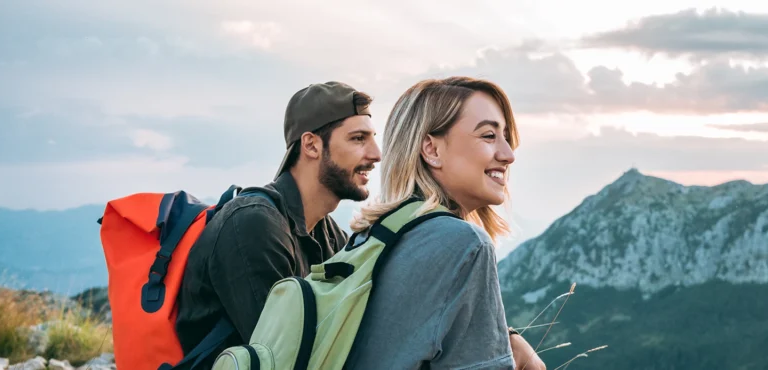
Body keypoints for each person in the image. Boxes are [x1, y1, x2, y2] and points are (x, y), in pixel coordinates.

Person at [342, 76, 547, 370]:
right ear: (432, 149)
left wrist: (505, 335)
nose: (508, 155)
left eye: (506, 138)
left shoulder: (375, 234)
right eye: (489, 136)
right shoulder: (464, 242)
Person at [175, 81, 381, 368]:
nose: (376, 154)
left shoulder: (328, 234)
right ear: (311, 145)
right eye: (358, 138)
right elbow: (284, 356)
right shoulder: (253, 224)